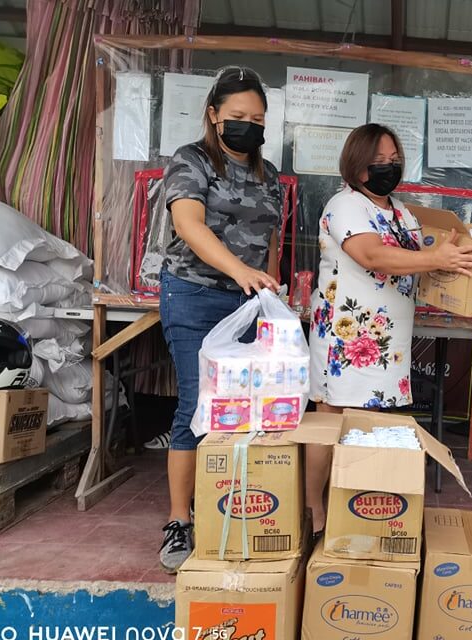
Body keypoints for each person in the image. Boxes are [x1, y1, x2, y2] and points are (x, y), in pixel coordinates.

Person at [157, 66, 323, 573]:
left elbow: (271, 239)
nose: (248, 126)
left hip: (250, 303)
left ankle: (235, 506)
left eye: (258, 119)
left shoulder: (269, 175)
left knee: (251, 409)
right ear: (213, 115)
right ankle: (179, 520)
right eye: (238, 116)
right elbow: (189, 224)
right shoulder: (192, 161)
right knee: (198, 404)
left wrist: (270, 287)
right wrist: (240, 271)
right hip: (195, 295)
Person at [309, 123, 472, 413]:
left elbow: (416, 260)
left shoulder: (401, 211)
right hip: (346, 340)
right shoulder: (345, 205)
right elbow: (372, 255)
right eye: (379, 161)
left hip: (386, 343)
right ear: (356, 164)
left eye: (394, 160)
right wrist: (436, 259)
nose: (389, 167)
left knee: (367, 428)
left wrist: (448, 260)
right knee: (335, 424)